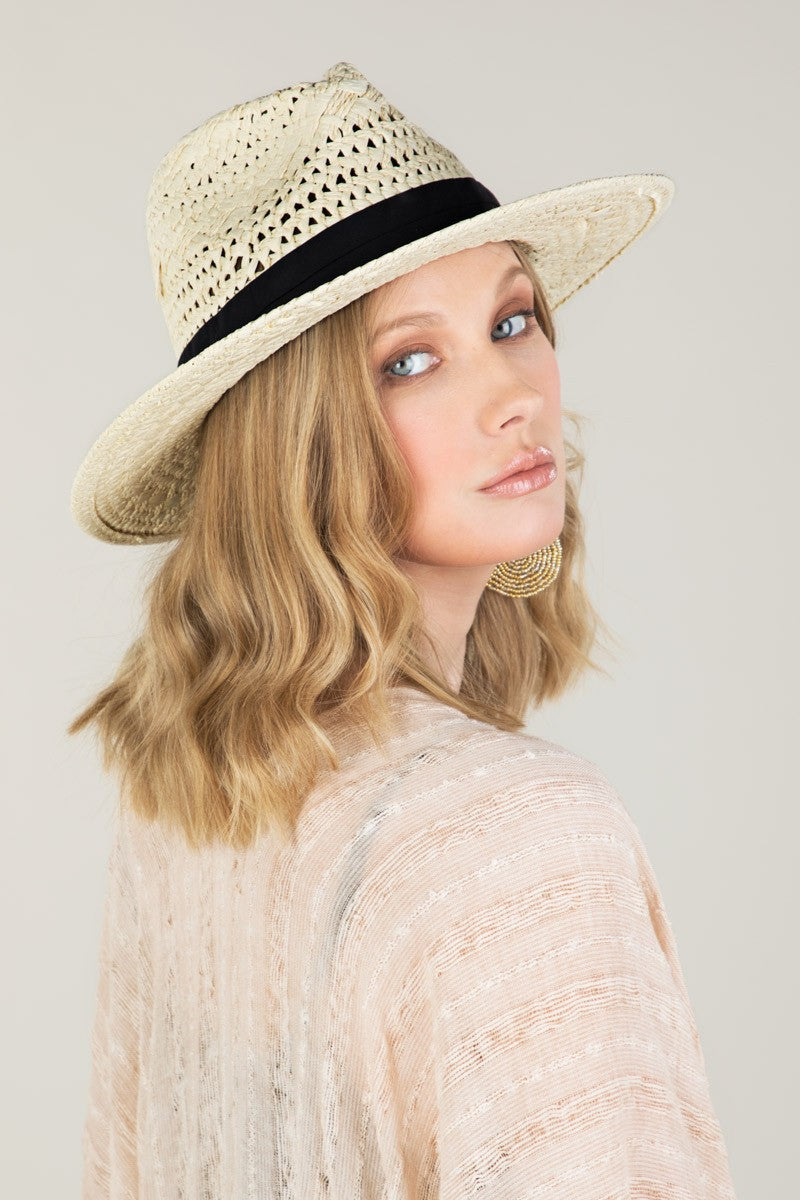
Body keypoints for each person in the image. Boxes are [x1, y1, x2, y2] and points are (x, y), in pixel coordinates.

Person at [69, 60, 737, 1198]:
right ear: (299, 441)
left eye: (513, 319)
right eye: (409, 362)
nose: (513, 394)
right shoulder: (524, 834)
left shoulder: (191, 793)